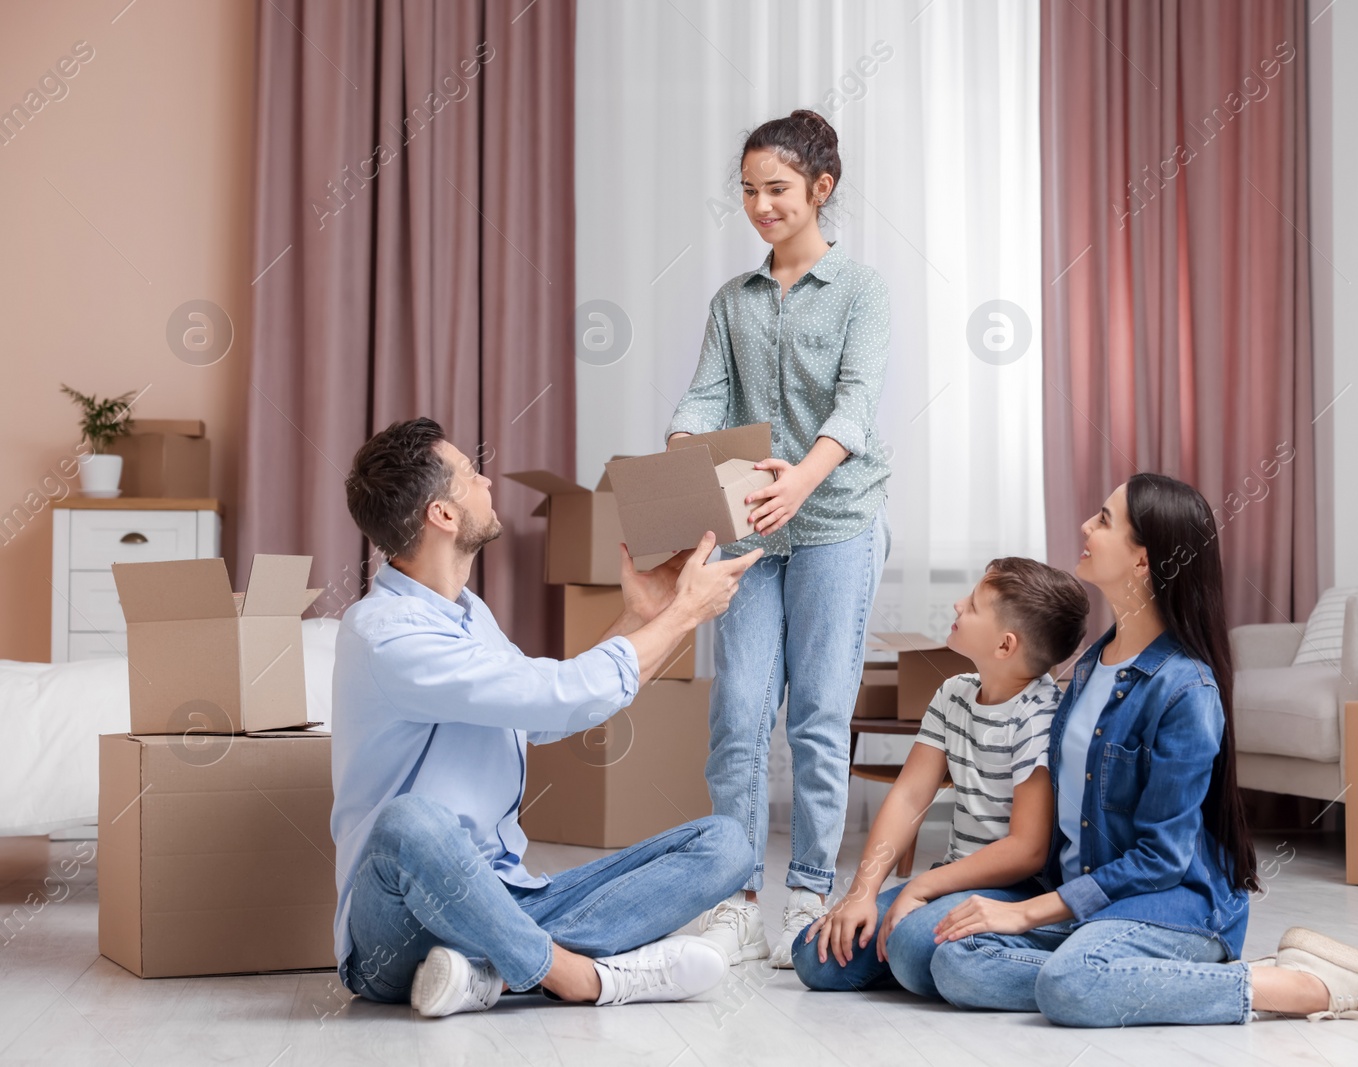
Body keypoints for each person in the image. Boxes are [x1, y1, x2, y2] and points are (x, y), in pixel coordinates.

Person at [927, 474, 1358, 1025]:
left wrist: (1026, 913)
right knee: (953, 961)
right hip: (1090, 895)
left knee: (1070, 985)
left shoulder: (1185, 690)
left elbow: (1161, 859)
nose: (1086, 526)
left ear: (1143, 562)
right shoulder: (1084, 671)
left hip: (1173, 903)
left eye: (1103, 520)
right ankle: (1118, 972)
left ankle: (1299, 987)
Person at [331, 418, 763, 1018]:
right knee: (410, 823)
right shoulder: (386, 635)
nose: (485, 480)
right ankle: (579, 976)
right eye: (469, 474)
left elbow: (543, 714)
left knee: (726, 844)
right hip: (397, 928)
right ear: (443, 516)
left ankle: (494, 973)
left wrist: (642, 615)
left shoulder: (468, 614)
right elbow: (557, 696)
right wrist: (685, 616)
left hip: (507, 899)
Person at [667, 109, 892, 967]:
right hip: (751, 528)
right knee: (737, 713)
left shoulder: (863, 291)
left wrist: (804, 476)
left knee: (820, 713)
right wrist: (688, 447)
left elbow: (857, 404)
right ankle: (733, 895)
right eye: (749, 192)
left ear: (819, 191)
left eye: (777, 191)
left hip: (836, 520)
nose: (761, 206)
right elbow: (704, 396)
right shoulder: (734, 301)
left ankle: (806, 888)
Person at [793, 558, 1089, 997]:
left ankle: (1016, 956)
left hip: (1015, 891)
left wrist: (922, 887)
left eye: (971, 605)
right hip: (955, 879)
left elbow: (1027, 850)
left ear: (1005, 646)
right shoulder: (953, 694)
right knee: (813, 955)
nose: (956, 604)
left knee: (911, 948)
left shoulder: (1039, 716)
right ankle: (931, 954)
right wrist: (862, 890)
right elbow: (911, 797)